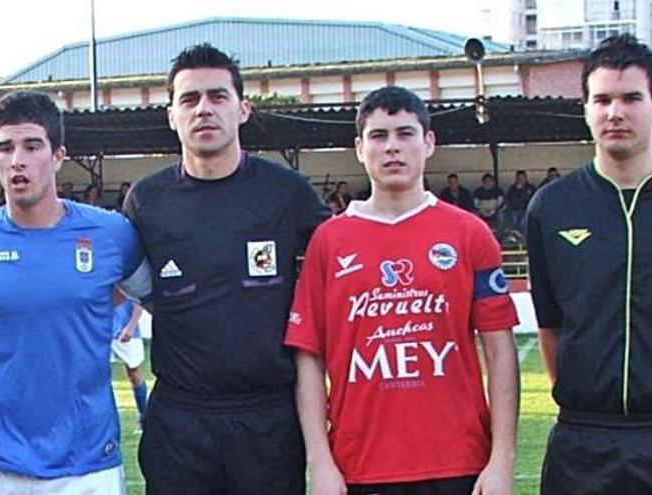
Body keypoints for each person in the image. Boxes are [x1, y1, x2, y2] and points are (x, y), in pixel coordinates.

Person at [286, 86, 519, 495]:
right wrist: (319, 461)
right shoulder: (329, 241)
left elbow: (499, 349)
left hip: (458, 462)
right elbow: (309, 357)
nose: (392, 147)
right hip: (360, 467)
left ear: (428, 143)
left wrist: (501, 459)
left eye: (405, 133)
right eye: (379, 136)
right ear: (359, 148)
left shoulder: (469, 234)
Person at [123, 43, 330, 495]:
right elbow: (130, 280)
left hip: (268, 417)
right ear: (171, 115)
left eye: (218, 97)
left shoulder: (286, 191)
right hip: (180, 418)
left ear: (242, 109)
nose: (204, 110)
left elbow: (338, 267)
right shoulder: (146, 199)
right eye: (189, 99)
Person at [0, 90, 151, 495]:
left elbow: (145, 292)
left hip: (88, 466)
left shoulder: (110, 234)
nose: (17, 160)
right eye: (5, 148)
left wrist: (87, 309)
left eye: (32, 146)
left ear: (58, 155)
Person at [527, 34, 652, 495]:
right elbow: (550, 326)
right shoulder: (551, 207)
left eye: (631, 98)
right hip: (583, 440)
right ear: (586, 107)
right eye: (602, 99)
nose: (615, 112)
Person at [111, 294, 150, 430]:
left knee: (133, 373)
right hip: (102, 330)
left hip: (125, 329)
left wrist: (131, 326)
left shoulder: (126, 275)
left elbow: (140, 300)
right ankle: (107, 420)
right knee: (101, 377)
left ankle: (145, 416)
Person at [503, 170, 535, 235]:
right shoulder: (512, 188)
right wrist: (517, 191)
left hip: (527, 209)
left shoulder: (531, 188)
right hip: (515, 209)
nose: (521, 180)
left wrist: (522, 191)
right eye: (519, 178)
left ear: (526, 178)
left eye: (522, 178)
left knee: (523, 222)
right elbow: (509, 199)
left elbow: (532, 199)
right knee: (514, 221)